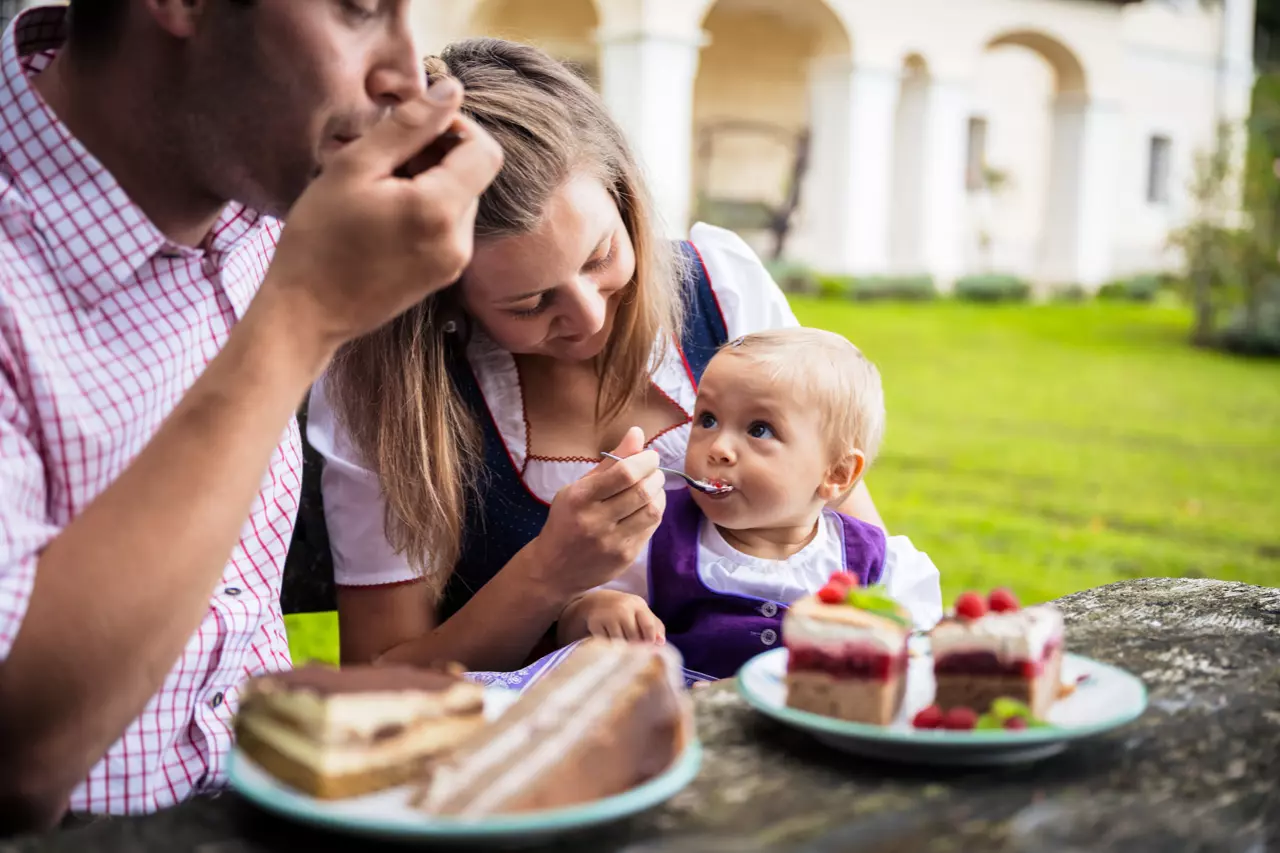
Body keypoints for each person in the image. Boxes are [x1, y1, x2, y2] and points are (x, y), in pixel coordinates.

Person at [0, 1, 502, 831]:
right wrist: (299, 316)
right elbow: (19, 764)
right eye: (360, 10)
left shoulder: (264, 186)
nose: (407, 78)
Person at [307, 38, 886, 678]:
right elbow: (374, 675)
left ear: (622, 196)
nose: (589, 316)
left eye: (600, 256)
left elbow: (851, 538)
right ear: (441, 297)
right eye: (528, 303)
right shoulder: (389, 387)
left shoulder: (721, 289)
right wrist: (549, 574)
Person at [556, 328, 944, 681]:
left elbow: (922, 652)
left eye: (759, 429)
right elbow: (570, 618)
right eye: (707, 419)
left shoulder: (878, 565)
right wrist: (596, 610)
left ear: (837, 473)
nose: (719, 448)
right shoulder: (654, 535)